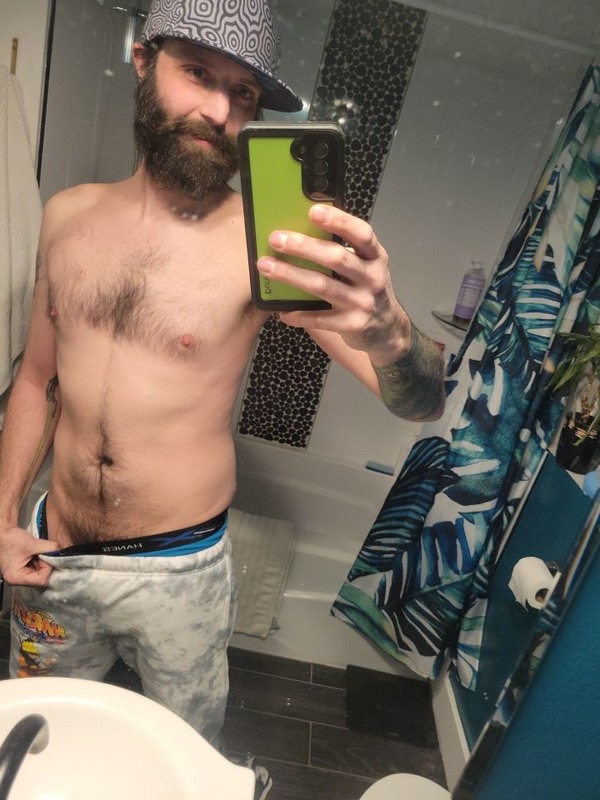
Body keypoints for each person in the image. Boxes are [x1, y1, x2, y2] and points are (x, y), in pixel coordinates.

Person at [0, 0, 444, 793]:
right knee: (38, 747)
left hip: (181, 575)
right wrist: (1, 520)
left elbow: (420, 402)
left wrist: (390, 332)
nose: (218, 111)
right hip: (53, 558)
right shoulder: (66, 217)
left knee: (187, 764)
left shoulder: (268, 246)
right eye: (198, 74)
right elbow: (36, 381)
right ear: (144, 62)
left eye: (243, 94)